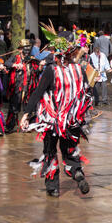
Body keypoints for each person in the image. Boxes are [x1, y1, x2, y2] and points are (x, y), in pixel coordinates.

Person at [19, 28, 93, 198]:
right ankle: (77, 172)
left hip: (52, 121)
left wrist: (26, 114)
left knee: (50, 152)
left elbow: (37, 93)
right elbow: (86, 92)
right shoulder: (79, 69)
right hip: (72, 121)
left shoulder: (51, 70)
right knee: (70, 150)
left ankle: (53, 187)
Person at [4, 39, 41, 133]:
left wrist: (40, 66)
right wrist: (15, 65)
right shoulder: (15, 57)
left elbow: (37, 71)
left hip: (29, 87)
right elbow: (6, 63)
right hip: (17, 86)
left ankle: (28, 125)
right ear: (20, 49)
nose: (27, 50)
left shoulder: (32, 59)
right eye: (25, 48)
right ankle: (10, 126)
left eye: (29, 48)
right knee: (14, 107)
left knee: (28, 107)